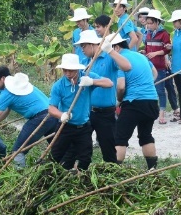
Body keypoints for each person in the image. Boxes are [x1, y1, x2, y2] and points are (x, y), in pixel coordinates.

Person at [0, 67, 57, 168]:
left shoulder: (7, 93)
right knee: (57, 146)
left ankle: (20, 174)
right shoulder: (19, 85)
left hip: (40, 118)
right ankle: (60, 168)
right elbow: (6, 111)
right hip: (53, 115)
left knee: (18, 151)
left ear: (2, 78)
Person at [47, 53, 113, 170]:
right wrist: (61, 115)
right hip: (65, 126)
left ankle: (81, 176)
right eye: (65, 70)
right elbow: (51, 108)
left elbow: (109, 83)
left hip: (83, 127)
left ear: (77, 69)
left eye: (71, 70)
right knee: (56, 156)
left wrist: (92, 82)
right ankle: (51, 175)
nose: (68, 73)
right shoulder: (58, 86)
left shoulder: (86, 77)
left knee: (85, 158)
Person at [104, 33, 160, 169]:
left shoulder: (120, 61)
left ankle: (114, 171)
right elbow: (155, 73)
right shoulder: (140, 56)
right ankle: (152, 169)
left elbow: (121, 86)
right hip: (152, 101)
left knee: (120, 137)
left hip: (134, 103)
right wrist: (146, 85)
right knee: (146, 135)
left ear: (116, 47)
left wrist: (119, 100)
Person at [76, 29, 123, 163]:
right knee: (81, 146)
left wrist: (111, 51)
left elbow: (126, 66)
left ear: (92, 45)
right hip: (87, 112)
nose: (82, 49)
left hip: (105, 113)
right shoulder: (84, 62)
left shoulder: (108, 58)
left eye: (83, 46)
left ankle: (112, 171)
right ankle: (81, 171)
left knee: (108, 148)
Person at [142, 10, 175, 124]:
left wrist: (155, 53)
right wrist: (144, 52)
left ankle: (162, 114)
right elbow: (147, 48)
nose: (149, 25)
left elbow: (167, 49)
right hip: (149, 66)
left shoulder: (164, 34)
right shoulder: (148, 34)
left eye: (151, 23)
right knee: (151, 90)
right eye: (147, 23)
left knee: (161, 90)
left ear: (157, 22)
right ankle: (153, 111)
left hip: (160, 67)